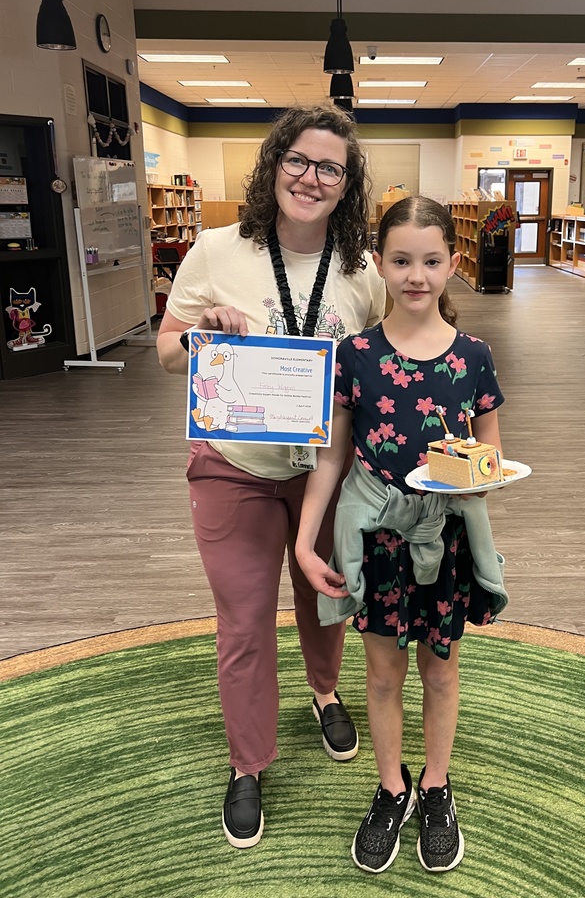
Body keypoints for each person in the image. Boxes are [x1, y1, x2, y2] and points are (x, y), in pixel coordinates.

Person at [156, 105, 386, 848]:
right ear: (274, 163)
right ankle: (247, 763)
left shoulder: (361, 270)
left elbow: (377, 362)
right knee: (245, 620)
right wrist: (199, 335)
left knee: (326, 599)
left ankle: (324, 693)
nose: (311, 178)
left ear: (346, 186)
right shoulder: (217, 249)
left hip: (326, 470)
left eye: (330, 168)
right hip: (235, 467)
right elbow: (165, 347)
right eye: (298, 160)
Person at [294, 196, 508, 874]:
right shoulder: (354, 355)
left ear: (452, 262)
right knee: (383, 675)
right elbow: (332, 454)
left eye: (432, 260)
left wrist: (480, 480)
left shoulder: (474, 355)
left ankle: (437, 786)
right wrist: (306, 540)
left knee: (440, 670)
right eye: (402, 260)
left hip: (442, 538)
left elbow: (490, 451)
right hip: (379, 539)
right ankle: (392, 789)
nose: (417, 275)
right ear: (379, 264)